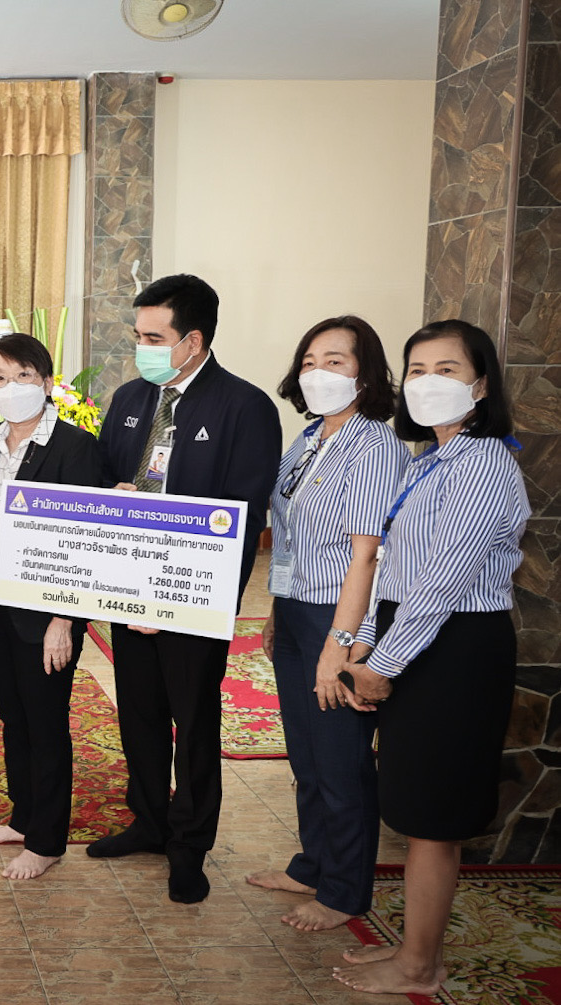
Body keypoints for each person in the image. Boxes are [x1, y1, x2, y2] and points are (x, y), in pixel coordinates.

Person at [333, 320, 528, 997]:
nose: (426, 382)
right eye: (416, 369)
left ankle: (419, 964)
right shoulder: (427, 463)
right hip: (414, 637)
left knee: (434, 815)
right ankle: (417, 949)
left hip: (456, 648)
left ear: (480, 386)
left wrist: (380, 664)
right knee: (418, 807)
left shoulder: (484, 464)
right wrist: (363, 642)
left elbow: (443, 581)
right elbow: (396, 569)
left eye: (446, 370)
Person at [91, 274, 280, 903]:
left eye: (153, 337)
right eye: (137, 335)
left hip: (193, 598)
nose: (140, 348)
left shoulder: (244, 407)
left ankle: (189, 845)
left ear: (193, 340)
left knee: (193, 722)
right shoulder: (129, 398)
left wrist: (189, 599)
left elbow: (245, 516)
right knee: (139, 713)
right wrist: (112, 498)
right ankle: (148, 822)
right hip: (127, 588)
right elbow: (103, 481)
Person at [245, 316, 408, 929]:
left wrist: (340, 644)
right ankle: (312, 864)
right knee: (306, 754)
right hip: (296, 609)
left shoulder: (374, 446)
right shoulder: (310, 436)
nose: (318, 372)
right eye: (310, 360)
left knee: (341, 761)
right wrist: (276, 610)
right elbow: (288, 535)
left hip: (340, 614)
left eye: (335, 361)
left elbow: (367, 555)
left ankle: (344, 891)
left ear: (366, 374)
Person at [0, 333, 105, 879]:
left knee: (46, 722)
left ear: (47, 382)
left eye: (23, 375)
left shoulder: (75, 447)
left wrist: (64, 619)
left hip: (46, 608)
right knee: (13, 716)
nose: (11, 387)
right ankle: (24, 816)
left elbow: (86, 540)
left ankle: (47, 840)